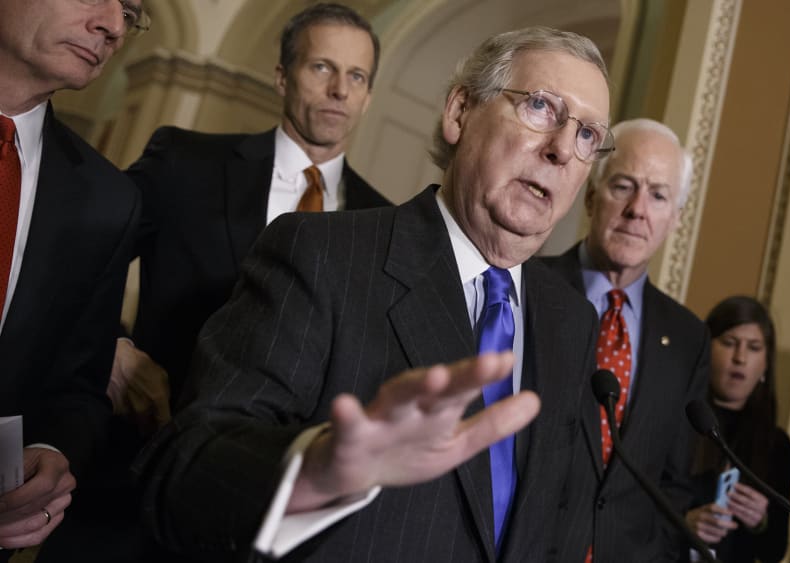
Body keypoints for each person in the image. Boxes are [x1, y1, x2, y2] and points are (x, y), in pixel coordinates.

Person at [137, 26, 612, 562]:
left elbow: (559, 518)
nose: (561, 151)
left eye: (588, 135)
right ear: (459, 113)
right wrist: (312, 472)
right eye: (541, 107)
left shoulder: (571, 319)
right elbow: (183, 472)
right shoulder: (321, 255)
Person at [112, 2, 392, 427]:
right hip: (157, 430)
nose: (340, 89)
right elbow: (81, 257)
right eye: (321, 67)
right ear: (282, 77)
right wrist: (111, 346)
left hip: (288, 465)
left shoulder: (385, 222)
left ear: (368, 96)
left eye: (357, 76)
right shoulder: (185, 162)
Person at [0, 0, 143, 555]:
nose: (112, 26)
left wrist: (51, 449)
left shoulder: (110, 200)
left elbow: (78, 383)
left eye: (131, 12)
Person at [542, 118, 710, 561]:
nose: (638, 209)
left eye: (658, 195)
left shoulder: (689, 337)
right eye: (623, 186)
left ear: (675, 218)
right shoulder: (529, 289)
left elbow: (672, 483)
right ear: (593, 196)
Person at [685, 296, 790, 562]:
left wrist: (760, 522)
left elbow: (774, 552)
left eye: (754, 347)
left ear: (766, 363)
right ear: (706, 349)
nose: (740, 358)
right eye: (729, 343)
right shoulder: (677, 421)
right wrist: (683, 523)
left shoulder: (776, 445)